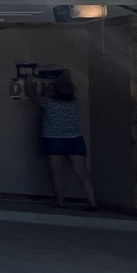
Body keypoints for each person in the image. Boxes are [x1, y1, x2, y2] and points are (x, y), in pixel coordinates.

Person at [34, 76, 98, 210]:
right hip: (75, 140)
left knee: (56, 173)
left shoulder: (47, 102)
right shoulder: (75, 102)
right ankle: (93, 203)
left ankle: (60, 202)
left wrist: (30, 80)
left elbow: (31, 95)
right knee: (83, 173)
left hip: (53, 140)